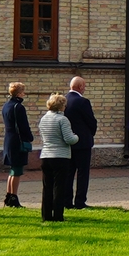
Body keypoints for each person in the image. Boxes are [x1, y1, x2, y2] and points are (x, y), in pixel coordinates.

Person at [36, 92, 76, 222]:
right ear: (61, 106)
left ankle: (46, 215)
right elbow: (69, 139)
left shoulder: (44, 119)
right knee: (59, 187)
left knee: (47, 187)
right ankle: (58, 215)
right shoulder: (62, 119)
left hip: (46, 155)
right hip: (60, 156)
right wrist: (77, 137)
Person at [64, 76, 97, 209]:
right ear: (79, 87)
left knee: (68, 173)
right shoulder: (83, 102)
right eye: (84, 86)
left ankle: (67, 201)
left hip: (67, 142)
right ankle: (80, 201)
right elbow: (91, 121)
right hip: (83, 143)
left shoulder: (63, 100)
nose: (85, 88)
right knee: (83, 173)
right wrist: (90, 133)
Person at [1, 82, 32, 208]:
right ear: (19, 93)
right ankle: (13, 197)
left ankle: (9, 196)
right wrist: (29, 137)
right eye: (23, 91)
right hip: (17, 141)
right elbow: (23, 126)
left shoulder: (6, 105)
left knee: (12, 170)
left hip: (9, 139)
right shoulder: (18, 107)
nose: (24, 94)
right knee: (17, 170)